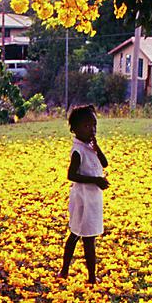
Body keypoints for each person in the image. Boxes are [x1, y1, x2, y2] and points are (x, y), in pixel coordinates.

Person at [58, 105, 109, 284]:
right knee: (85, 236)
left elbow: (105, 164)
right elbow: (71, 175)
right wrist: (96, 180)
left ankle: (64, 270)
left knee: (78, 233)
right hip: (83, 198)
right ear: (75, 129)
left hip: (93, 198)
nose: (92, 130)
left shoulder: (90, 146)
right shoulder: (78, 151)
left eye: (94, 126)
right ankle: (91, 277)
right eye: (87, 126)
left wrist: (98, 148)